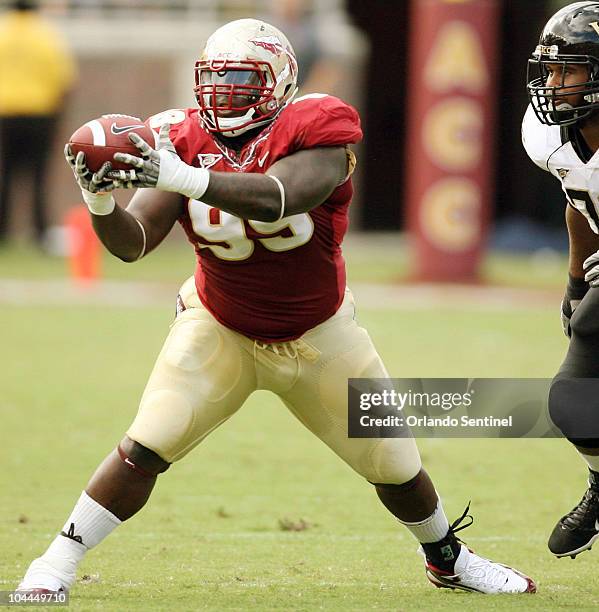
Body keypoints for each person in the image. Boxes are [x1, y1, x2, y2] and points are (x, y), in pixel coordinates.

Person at [17, 18, 535, 597]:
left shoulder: (318, 128)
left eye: (240, 78)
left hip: (318, 333)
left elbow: (279, 197)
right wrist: (97, 199)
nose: (224, 93)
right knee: (149, 439)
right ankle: (54, 563)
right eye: (214, 79)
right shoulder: (180, 137)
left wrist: (179, 173)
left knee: (395, 463)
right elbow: (135, 243)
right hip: (221, 326)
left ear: (280, 81)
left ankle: (448, 558)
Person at [524, 0, 599, 559]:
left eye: (568, 69)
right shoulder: (551, 138)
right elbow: (580, 203)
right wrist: (575, 282)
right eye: (550, 69)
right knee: (571, 400)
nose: (554, 83)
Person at [0, 0, 77, 246]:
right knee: (39, 176)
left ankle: (3, 231)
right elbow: (65, 81)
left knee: (4, 175)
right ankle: (40, 231)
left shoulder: (2, 32)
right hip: (40, 114)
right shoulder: (46, 35)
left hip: (4, 113)